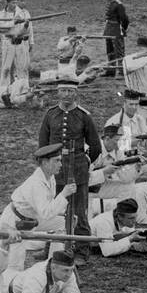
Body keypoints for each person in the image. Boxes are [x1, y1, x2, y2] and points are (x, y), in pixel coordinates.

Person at [37, 78, 102, 256]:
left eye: (70, 91)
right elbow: (43, 144)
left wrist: (85, 162)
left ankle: (81, 251)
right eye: (63, 91)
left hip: (78, 169)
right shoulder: (50, 114)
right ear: (57, 92)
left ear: (76, 93)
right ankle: (51, 249)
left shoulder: (83, 116)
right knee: (54, 210)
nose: (66, 95)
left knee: (80, 211)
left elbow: (95, 146)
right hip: (55, 170)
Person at [0, 145, 72, 270]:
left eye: (60, 160)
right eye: (57, 160)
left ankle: (54, 263)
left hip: (32, 220)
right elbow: (46, 213)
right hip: (14, 223)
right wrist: (64, 194)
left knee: (64, 223)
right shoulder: (36, 183)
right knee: (15, 267)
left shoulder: (50, 177)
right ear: (44, 163)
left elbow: (48, 206)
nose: (60, 164)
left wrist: (66, 213)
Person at [2, 248, 85, 293]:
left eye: (72, 269)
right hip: (3, 286)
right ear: (53, 268)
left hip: (20, 280)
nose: (69, 274)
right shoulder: (37, 275)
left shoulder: (68, 273)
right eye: (65, 270)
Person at [0, 0, 33, 88]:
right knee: (6, 69)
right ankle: (3, 91)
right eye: (13, 3)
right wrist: (13, 21)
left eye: (16, 2)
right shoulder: (1, 14)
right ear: (7, 3)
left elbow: (24, 31)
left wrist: (25, 26)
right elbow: (0, 28)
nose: (15, 5)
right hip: (8, 43)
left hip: (20, 43)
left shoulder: (22, 13)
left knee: (22, 68)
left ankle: (23, 90)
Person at [102, 0, 129, 77]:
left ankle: (121, 71)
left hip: (116, 29)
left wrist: (122, 29)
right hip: (109, 29)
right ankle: (111, 70)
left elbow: (125, 19)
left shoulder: (119, 4)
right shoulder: (110, 3)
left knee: (119, 51)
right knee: (110, 50)